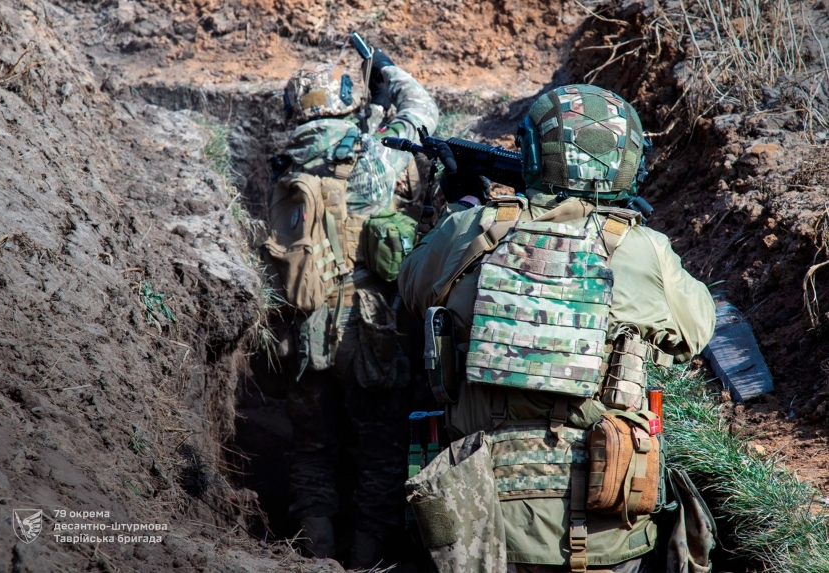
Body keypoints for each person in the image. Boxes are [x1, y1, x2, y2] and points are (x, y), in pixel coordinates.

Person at [398, 84, 716, 572]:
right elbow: (697, 328)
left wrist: (462, 205)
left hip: (480, 517)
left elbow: (412, 286)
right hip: (611, 507)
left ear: (533, 152)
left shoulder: (469, 233)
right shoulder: (643, 248)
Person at [265, 48, 439, 568]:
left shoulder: (285, 167)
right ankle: (367, 561)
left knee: (312, 450)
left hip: (303, 325)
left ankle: (314, 556)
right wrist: (388, 70)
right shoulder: (375, 155)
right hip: (371, 328)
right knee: (380, 452)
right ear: (346, 101)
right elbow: (423, 112)